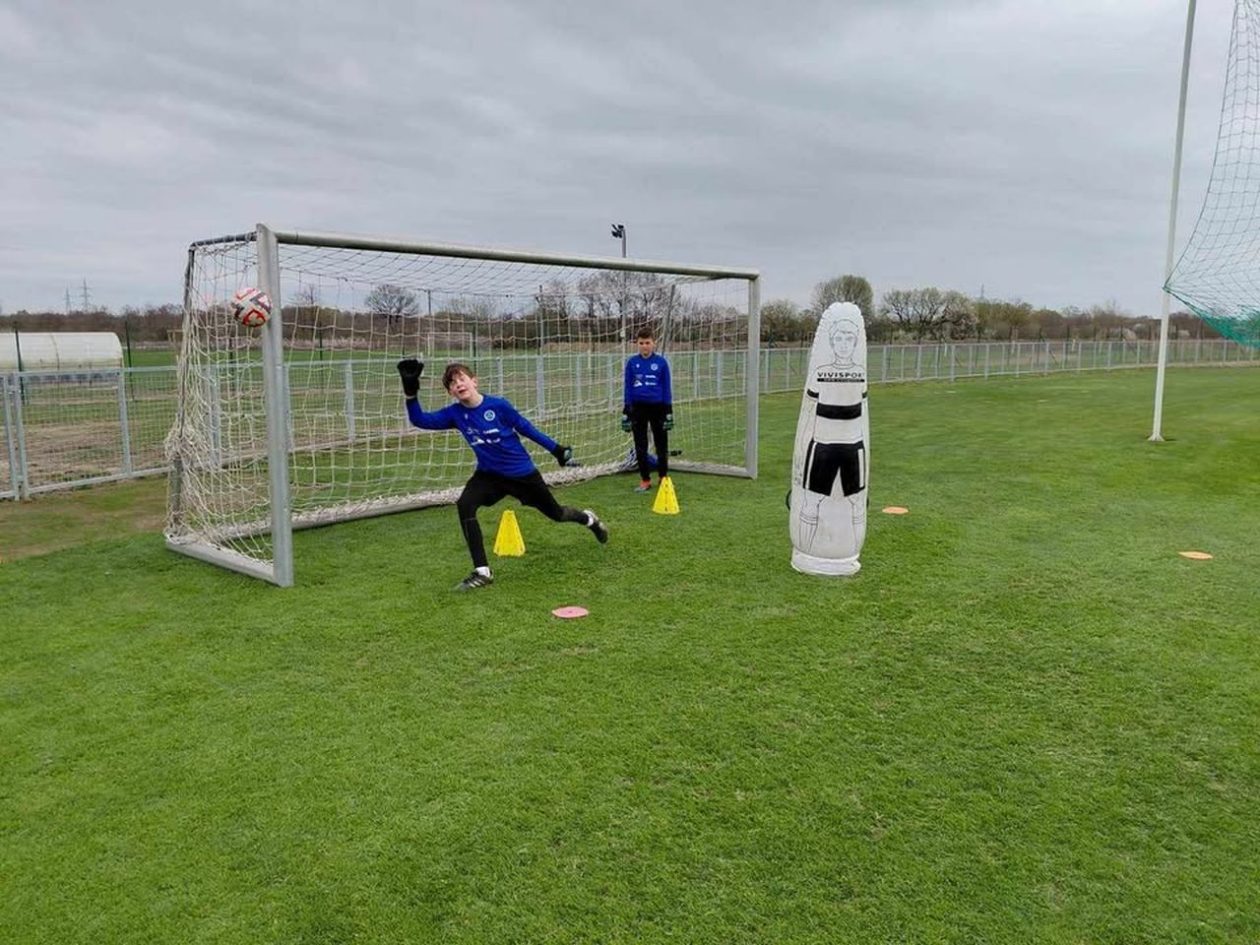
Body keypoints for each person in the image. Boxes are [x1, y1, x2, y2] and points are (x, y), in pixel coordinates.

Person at [397, 358, 608, 591]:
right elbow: (420, 419)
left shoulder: (498, 406)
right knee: (465, 504)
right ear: (450, 392)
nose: (458, 384)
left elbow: (526, 427)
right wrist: (410, 392)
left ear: (474, 381)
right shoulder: (454, 414)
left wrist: (556, 449)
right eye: (452, 383)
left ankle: (589, 519)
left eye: (461, 378)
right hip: (489, 476)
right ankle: (482, 572)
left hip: (522, 475)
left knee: (557, 514)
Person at [621, 327, 673, 493]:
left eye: (647, 343)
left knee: (661, 444)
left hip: (658, 408)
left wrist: (668, 410)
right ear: (637, 344)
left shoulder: (661, 363)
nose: (644, 346)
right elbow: (628, 387)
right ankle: (645, 480)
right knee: (640, 445)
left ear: (653, 343)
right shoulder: (632, 363)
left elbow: (666, 388)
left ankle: (663, 477)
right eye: (641, 343)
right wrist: (626, 410)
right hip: (638, 408)